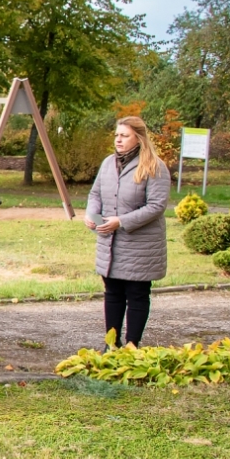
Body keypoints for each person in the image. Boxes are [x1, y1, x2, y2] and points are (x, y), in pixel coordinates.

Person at [87, 116, 170, 348]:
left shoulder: (154, 167)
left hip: (140, 246)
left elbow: (156, 206)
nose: (118, 140)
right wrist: (92, 217)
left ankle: (133, 345)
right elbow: (95, 194)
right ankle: (111, 344)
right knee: (112, 292)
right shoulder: (107, 164)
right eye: (116, 135)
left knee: (136, 294)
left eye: (124, 135)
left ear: (139, 138)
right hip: (110, 243)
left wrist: (121, 222)